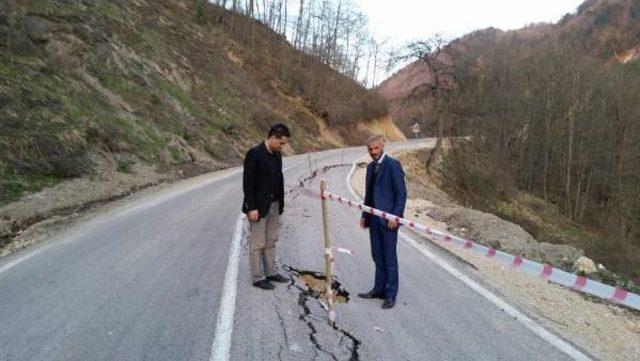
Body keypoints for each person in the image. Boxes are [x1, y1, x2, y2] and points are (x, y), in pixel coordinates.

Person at [357, 134, 407, 309]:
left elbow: (401, 194)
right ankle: (379, 289)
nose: (373, 152)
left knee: (389, 258)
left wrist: (396, 216)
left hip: (389, 221)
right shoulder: (371, 167)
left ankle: (391, 295)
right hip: (374, 221)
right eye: (370, 150)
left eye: (376, 148)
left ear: (382, 147)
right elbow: (369, 195)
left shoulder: (393, 165)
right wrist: (365, 216)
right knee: (377, 255)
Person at [242, 123, 291, 290]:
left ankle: (270, 272)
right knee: (258, 243)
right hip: (259, 207)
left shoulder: (277, 155)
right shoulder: (254, 154)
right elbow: (248, 183)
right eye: (282, 143)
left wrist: (281, 203)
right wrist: (252, 207)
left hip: (275, 204)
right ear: (272, 137)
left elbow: (279, 179)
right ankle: (258, 277)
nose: (283, 147)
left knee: (271, 241)